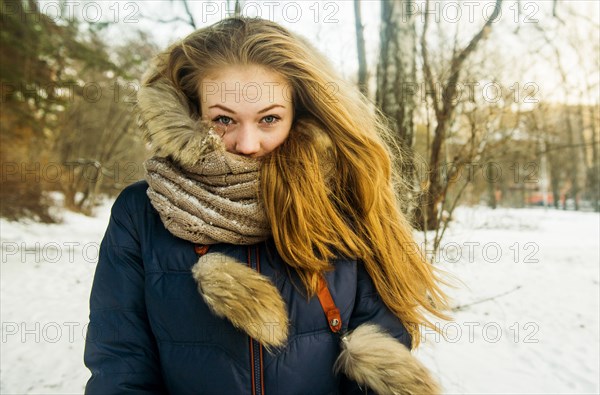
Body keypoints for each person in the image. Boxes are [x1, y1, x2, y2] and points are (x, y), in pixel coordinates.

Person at [83, 17, 450, 395]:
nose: (247, 143)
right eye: (224, 119)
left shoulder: (342, 201)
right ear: (190, 112)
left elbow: (381, 355)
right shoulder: (142, 212)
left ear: (299, 113)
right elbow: (120, 361)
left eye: (269, 119)